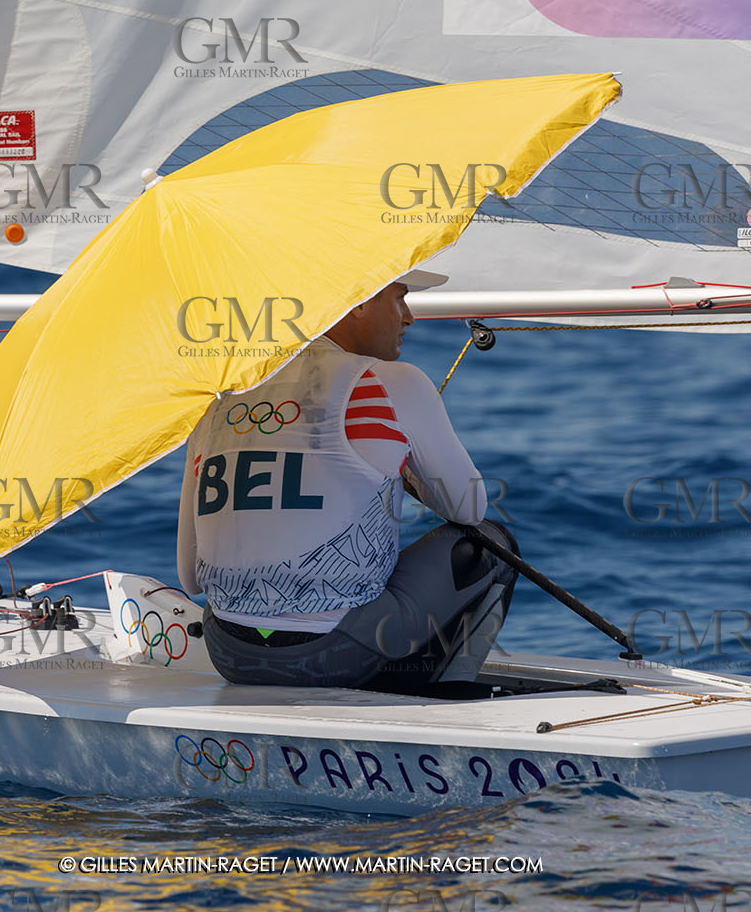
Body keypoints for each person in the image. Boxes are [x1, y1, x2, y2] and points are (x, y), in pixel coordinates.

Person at [176, 271, 519, 695]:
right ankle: (438, 699)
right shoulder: (391, 381)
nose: (408, 317)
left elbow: (190, 578)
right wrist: (404, 468)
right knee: (492, 542)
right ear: (358, 301)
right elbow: (468, 508)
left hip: (231, 653)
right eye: (399, 297)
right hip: (332, 655)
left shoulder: (218, 399)